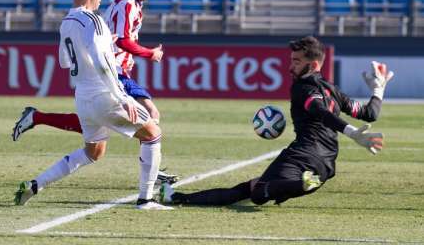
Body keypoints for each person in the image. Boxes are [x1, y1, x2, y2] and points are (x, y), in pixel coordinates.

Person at [160, 36, 393, 206]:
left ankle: (300, 184)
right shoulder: (333, 89)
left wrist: (352, 133)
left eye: (296, 61)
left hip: (302, 154)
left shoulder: (303, 88)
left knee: (259, 191)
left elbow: (320, 111)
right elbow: (369, 113)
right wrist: (378, 90)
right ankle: (180, 198)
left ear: (312, 65)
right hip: (326, 163)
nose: (290, 66)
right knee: (248, 188)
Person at [13, 0, 172, 210]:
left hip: (83, 99)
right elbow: (102, 63)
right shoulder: (94, 20)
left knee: (93, 152)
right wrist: (123, 98)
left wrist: (105, 40)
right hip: (105, 95)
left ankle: (36, 184)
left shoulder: (66, 22)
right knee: (153, 133)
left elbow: (65, 62)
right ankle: (145, 199)